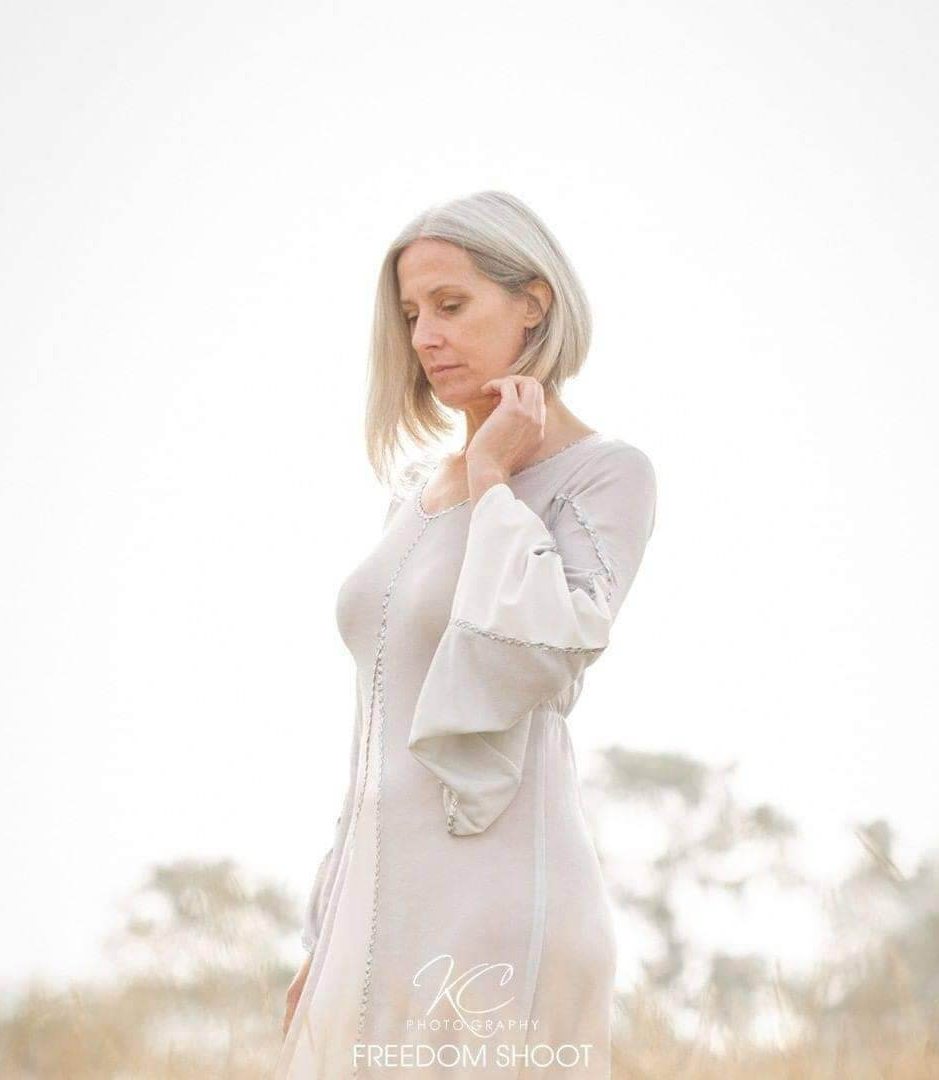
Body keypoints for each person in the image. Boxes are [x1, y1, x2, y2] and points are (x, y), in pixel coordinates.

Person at [274, 190, 658, 1079]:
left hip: (495, 908)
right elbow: (378, 726)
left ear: (534, 302)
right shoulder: (411, 492)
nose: (425, 337)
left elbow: (537, 652)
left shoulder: (606, 476)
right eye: (412, 315)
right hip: (372, 911)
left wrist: (492, 474)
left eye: (452, 306)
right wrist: (326, 929)